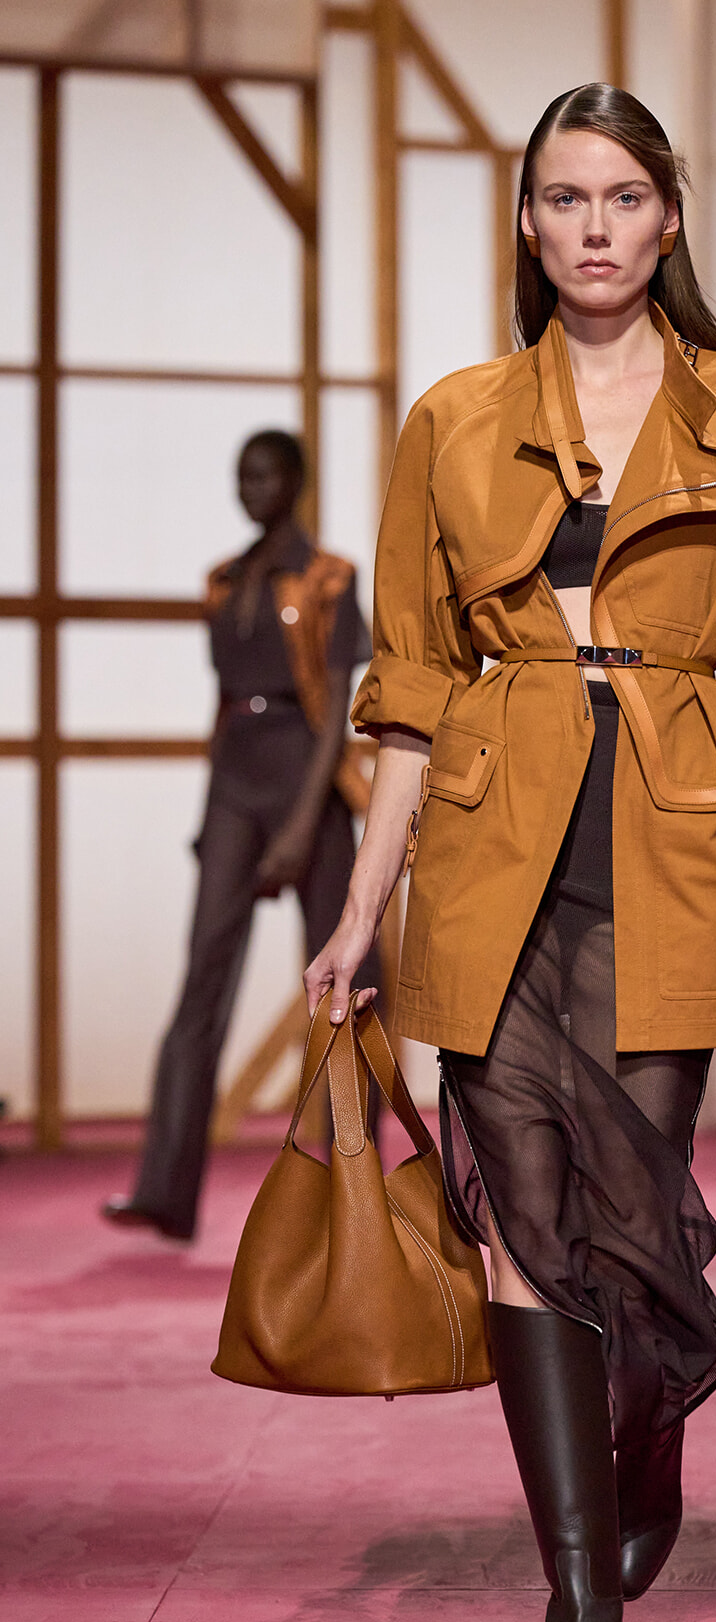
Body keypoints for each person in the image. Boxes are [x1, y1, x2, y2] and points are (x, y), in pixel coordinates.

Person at [306, 85, 716, 1622]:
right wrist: (358, 912)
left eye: (623, 196)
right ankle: (573, 1600)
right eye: (565, 198)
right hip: (491, 849)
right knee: (519, 1227)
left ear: (667, 218)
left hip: (677, 846)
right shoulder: (454, 419)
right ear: (530, 225)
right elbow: (406, 690)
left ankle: (650, 1426)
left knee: (627, 1218)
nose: (596, 225)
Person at [103, 429, 379, 1244]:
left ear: (293, 481)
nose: (250, 487)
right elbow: (224, 706)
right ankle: (164, 1190)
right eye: (241, 475)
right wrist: (212, 814)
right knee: (200, 985)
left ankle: (351, 1189)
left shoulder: (330, 577)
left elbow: (334, 707)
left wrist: (299, 825)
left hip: (307, 780)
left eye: (265, 474)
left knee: (339, 995)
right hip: (236, 781)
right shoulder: (222, 582)